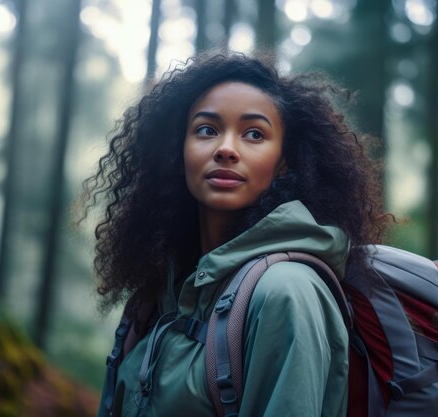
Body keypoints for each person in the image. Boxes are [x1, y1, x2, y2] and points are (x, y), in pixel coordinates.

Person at [85, 52, 389, 417]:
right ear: (178, 152)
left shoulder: (286, 292)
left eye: (254, 134)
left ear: (284, 163)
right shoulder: (159, 292)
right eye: (207, 130)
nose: (226, 148)